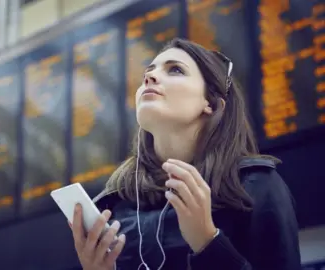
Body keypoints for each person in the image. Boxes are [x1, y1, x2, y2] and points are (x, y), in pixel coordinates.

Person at [68, 38, 302, 270]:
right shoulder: (114, 206)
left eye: (175, 70)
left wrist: (208, 241)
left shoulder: (256, 186)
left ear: (210, 103)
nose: (150, 77)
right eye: (147, 74)